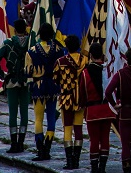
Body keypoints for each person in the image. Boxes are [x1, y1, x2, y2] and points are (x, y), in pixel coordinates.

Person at [0, 16, 30, 153]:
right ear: (25, 29)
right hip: (25, 81)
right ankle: (21, 142)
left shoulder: (8, 43)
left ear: (15, 30)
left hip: (12, 81)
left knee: (13, 113)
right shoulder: (30, 43)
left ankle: (14, 143)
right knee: (24, 113)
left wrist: (3, 75)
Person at [26, 20, 63, 160]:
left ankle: (40, 148)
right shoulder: (59, 50)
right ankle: (48, 146)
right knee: (52, 117)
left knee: (38, 118)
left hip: (39, 86)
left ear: (40, 34)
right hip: (53, 85)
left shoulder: (32, 51)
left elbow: (28, 72)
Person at [105, 45, 131, 173]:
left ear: (127, 59)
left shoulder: (121, 74)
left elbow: (108, 92)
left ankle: (127, 171)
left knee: (126, 145)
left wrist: (115, 105)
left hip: (125, 114)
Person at [79, 41, 116, 173]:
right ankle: (102, 168)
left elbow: (82, 93)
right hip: (106, 109)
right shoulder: (107, 70)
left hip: (92, 111)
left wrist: (81, 105)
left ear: (91, 55)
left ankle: (94, 169)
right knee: (105, 137)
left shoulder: (85, 73)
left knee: (94, 140)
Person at [56, 33, 86, 169]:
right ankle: (77, 160)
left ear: (66, 47)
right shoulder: (85, 60)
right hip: (81, 100)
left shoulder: (60, 62)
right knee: (79, 129)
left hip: (66, 98)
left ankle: (69, 161)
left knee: (67, 128)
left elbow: (55, 79)